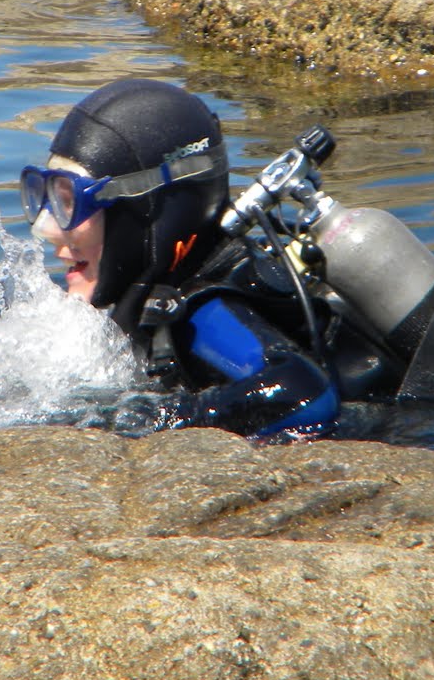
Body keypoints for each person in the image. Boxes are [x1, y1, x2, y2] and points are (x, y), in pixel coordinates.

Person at [22, 78, 405, 441]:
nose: (47, 227)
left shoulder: (202, 311)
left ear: (147, 211)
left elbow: (303, 394)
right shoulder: (165, 294)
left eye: (69, 201)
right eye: (46, 195)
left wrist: (153, 423)